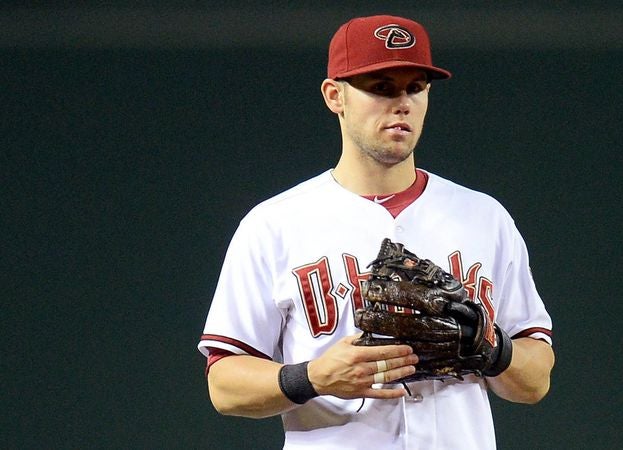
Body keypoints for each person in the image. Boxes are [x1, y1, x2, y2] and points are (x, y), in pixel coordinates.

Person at [198, 14, 555, 450]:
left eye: (415, 87)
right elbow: (225, 384)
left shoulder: (484, 217)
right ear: (335, 96)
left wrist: (493, 347)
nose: (401, 102)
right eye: (380, 87)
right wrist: (313, 376)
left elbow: (535, 380)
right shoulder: (274, 224)